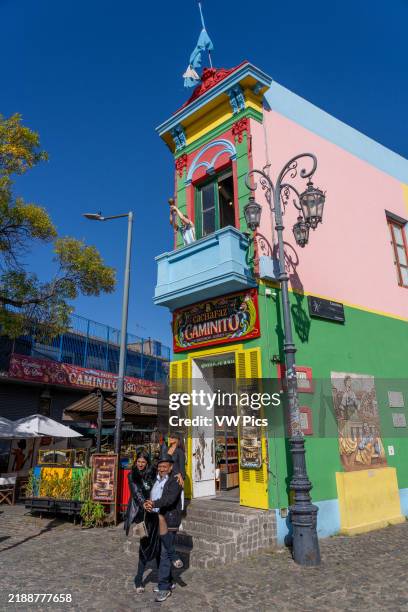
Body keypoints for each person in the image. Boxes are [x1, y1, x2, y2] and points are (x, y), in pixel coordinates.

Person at [144, 455, 183, 603]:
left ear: (171, 467)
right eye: (160, 466)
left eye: (164, 466)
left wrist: (153, 504)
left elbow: (169, 499)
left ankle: (164, 588)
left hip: (170, 520)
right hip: (157, 519)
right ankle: (168, 582)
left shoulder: (175, 480)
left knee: (165, 553)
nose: (161, 469)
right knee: (160, 552)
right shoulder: (158, 479)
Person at [124, 450, 159, 594]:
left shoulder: (152, 473)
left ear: (147, 462)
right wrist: (143, 503)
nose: (140, 464)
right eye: (138, 462)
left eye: (143, 462)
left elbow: (164, 471)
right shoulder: (132, 475)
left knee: (157, 542)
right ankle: (138, 579)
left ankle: (164, 577)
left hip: (153, 513)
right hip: (139, 515)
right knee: (144, 543)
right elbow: (136, 492)